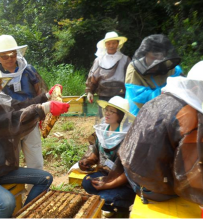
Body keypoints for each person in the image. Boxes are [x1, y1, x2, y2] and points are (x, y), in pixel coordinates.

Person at [0, 61, 70, 218]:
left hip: (1, 169)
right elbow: (9, 121)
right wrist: (44, 108)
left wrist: (45, 97)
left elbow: (21, 106)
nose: (1, 87)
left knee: (44, 178)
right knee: (7, 202)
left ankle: (23, 215)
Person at [110, 61, 203, 206]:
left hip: (132, 177)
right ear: (196, 87)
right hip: (155, 190)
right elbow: (189, 177)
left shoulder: (157, 101)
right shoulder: (189, 115)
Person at [0, 35, 47, 174]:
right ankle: (17, 193)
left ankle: (37, 191)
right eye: (4, 56)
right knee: (11, 161)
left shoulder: (29, 70)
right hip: (8, 124)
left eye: (12, 54)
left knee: (35, 159)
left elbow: (41, 90)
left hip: (31, 120)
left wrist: (43, 111)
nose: (10, 59)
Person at [78, 96, 135, 217]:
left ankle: (120, 207)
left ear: (121, 115)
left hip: (124, 183)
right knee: (87, 182)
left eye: (112, 111)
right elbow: (95, 154)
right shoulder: (102, 132)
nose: (107, 114)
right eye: (106, 110)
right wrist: (86, 161)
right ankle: (109, 202)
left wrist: (107, 185)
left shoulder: (128, 137)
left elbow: (127, 173)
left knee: (104, 197)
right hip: (105, 175)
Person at [125, 34, 182, 115]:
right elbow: (140, 99)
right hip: (141, 113)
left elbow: (180, 83)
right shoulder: (133, 70)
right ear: (146, 53)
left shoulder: (170, 66)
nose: (158, 59)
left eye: (161, 56)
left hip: (170, 110)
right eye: (155, 55)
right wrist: (166, 92)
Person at [85, 31, 131, 118]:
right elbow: (92, 76)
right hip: (103, 96)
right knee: (104, 120)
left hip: (120, 96)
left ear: (118, 44)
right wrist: (90, 91)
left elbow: (131, 78)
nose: (111, 45)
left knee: (119, 120)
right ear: (105, 45)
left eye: (114, 43)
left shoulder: (125, 59)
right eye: (109, 43)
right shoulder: (98, 60)